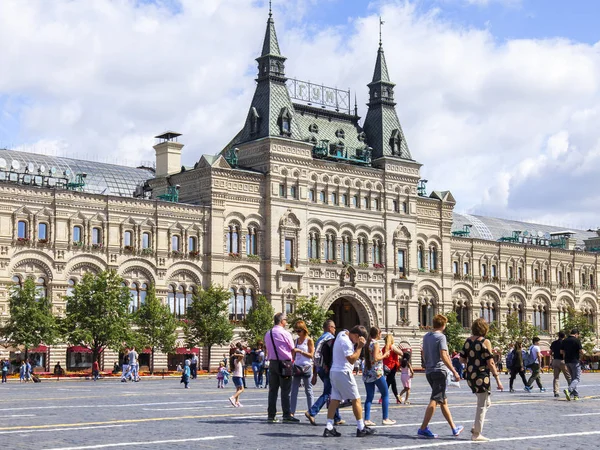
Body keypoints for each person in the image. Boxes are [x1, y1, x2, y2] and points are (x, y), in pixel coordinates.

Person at [323, 325, 375, 438]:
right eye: (358, 340)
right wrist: (359, 347)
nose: (356, 343)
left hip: (334, 372)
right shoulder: (346, 341)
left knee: (335, 399)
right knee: (356, 399)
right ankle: (361, 428)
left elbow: (346, 331)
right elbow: (351, 359)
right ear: (356, 335)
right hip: (344, 372)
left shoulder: (342, 334)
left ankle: (329, 427)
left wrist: (357, 342)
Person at [417, 314, 463, 439]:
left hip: (430, 372)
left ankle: (454, 428)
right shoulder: (441, 337)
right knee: (435, 399)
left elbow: (423, 353)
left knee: (443, 401)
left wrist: (428, 364)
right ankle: (423, 428)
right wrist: (454, 371)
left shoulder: (426, 337)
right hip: (439, 372)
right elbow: (443, 355)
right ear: (443, 325)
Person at [460, 318, 503, 442]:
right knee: (481, 405)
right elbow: (490, 362)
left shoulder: (468, 341)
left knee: (486, 402)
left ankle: (476, 427)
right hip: (481, 376)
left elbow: (461, 359)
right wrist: (498, 379)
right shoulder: (485, 341)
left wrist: (472, 362)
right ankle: (476, 433)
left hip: (470, 376)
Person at [306, 319, 343, 426]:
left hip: (320, 368)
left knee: (333, 392)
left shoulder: (320, 339)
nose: (335, 330)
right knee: (328, 392)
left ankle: (336, 417)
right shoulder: (330, 338)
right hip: (327, 368)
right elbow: (329, 355)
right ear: (330, 327)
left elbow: (315, 356)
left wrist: (315, 373)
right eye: (334, 327)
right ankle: (312, 412)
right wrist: (328, 366)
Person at [264, 313, 299, 423]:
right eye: (286, 320)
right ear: (281, 321)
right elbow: (292, 348)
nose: (287, 322)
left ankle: (271, 415)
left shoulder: (268, 333)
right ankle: (286, 415)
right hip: (285, 364)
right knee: (285, 390)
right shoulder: (285, 333)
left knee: (272, 390)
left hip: (273, 363)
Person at [363, 327, 395, 426]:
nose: (381, 335)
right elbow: (376, 358)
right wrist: (385, 355)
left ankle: (366, 419)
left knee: (369, 397)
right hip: (376, 372)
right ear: (377, 334)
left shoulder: (367, 343)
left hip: (367, 372)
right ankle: (385, 418)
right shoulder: (376, 344)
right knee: (385, 394)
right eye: (380, 333)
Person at [291, 320, 314, 416]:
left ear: (304, 330)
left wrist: (300, 351)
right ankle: (291, 412)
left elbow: (311, 355)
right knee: (294, 390)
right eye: (296, 331)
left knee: (308, 390)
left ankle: (311, 412)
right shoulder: (296, 340)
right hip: (297, 366)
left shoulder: (309, 340)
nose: (297, 333)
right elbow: (293, 355)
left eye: (299, 330)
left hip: (306, 366)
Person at [562, 328, 583, 401]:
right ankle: (569, 390)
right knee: (577, 378)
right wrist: (583, 354)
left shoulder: (564, 340)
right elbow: (581, 351)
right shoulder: (577, 340)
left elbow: (561, 351)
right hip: (575, 361)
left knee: (572, 378)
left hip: (567, 361)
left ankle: (575, 395)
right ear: (576, 334)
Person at [382, 334, 403, 404]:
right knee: (388, 383)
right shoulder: (392, 347)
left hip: (386, 367)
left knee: (393, 383)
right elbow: (401, 353)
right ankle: (382, 397)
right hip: (392, 366)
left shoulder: (384, 348)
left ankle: (397, 397)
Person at [550, 331, 572, 398]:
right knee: (568, 376)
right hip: (562, 361)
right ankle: (571, 390)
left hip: (555, 361)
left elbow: (550, 352)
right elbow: (564, 352)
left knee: (556, 377)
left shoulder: (554, 343)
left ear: (558, 336)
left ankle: (556, 392)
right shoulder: (565, 343)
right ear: (564, 336)